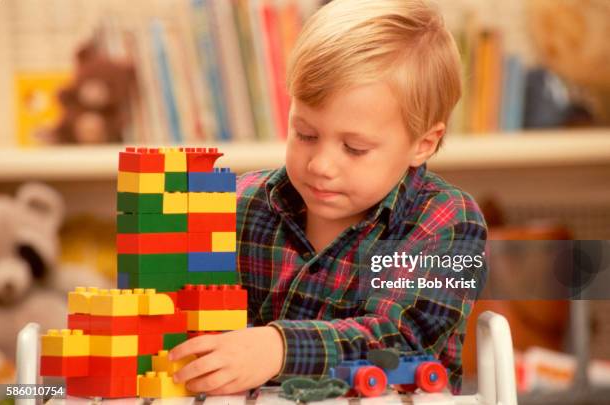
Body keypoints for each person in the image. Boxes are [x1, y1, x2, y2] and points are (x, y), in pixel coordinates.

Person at [169, 0, 486, 395]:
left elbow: (402, 341)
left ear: (422, 144)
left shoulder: (447, 220)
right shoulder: (239, 205)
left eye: (353, 148)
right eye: (305, 134)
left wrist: (279, 349)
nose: (320, 164)